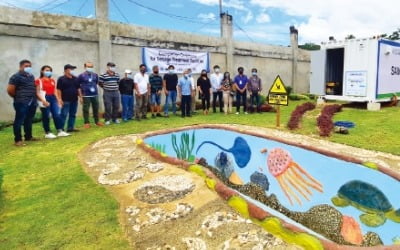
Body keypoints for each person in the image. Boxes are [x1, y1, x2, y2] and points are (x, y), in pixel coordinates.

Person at [7, 59, 39, 146]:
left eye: (30, 66)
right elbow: (10, 90)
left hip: (32, 101)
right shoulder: (15, 77)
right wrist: (19, 97)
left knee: (28, 119)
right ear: (21, 67)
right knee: (19, 120)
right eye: (26, 66)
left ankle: (28, 136)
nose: (28, 68)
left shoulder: (31, 76)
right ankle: (18, 140)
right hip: (21, 102)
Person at [35, 65, 70, 139]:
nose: (48, 72)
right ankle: (47, 132)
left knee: (56, 114)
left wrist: (58, 100)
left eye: (50, 70)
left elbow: (54, 91)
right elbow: (37, 92)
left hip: (53, 98)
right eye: (47, 70)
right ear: (42, 71)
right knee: (46, 115)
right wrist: (43, 100)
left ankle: (60, 131)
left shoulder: (52, 80)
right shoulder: (39, 81)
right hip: (44, 97)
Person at [78, 62, 103, 128]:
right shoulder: (81, 75)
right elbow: (78, 87)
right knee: (86, 109)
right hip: (86, 95)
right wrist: (80, 97)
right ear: (85, 67)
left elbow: (97, 83)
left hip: (94, 95)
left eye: (91, 66)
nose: (90, 68)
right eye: (88, 66)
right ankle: (86, 122)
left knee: (96, 108)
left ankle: (97, 121)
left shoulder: (95, 75)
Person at [57, 64, 81, 133]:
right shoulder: (61, 79)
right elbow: (59, 90)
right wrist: (60, 99)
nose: (72, 70)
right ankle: (61, 129)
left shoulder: (76, 78)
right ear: (66, 70)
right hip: (65, 100)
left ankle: (70, 127)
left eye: (73, 69)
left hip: (74, 100)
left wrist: (81, 97)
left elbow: (78, 89)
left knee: (73, 114)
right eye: (71, 69)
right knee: (63, 114)